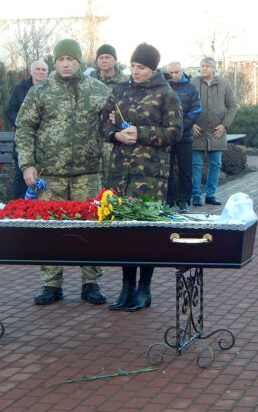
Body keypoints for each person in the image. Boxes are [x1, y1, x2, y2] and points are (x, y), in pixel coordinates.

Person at [15, 39, 109, 306]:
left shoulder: (98, 90)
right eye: (60, 59)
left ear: (80, 61)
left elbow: (110, 129)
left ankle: (90, 282)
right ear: (54, 62)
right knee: (50, 228)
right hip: (50, 175)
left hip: (88, 174)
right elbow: (24, 128)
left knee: (90, 227)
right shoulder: (40, 91)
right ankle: (51, 282)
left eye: (71, 59)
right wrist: (27, 164)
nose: (66, 64)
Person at [101, 43, 182, 311]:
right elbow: (103, 123)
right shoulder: (120, 90)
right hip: (119, 174)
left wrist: (141, 134)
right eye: (133, 66)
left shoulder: (166, 94)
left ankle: (144, 290)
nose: (135, 71)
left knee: (146, 233)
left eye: (142, 68)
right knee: (124, 232)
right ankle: (127, 287)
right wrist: (115, 134)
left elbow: (175, 133)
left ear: (153, 68)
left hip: (150, 176)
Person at [190, 57, 236, 206]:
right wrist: (191, 124)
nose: (204, 69)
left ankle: (211, 194)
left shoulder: (224, 84)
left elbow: (232, 106)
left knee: (215, 164)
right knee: (196, 164)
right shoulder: (193, 83)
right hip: (197, 131)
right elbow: (184, 105)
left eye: (207, 66)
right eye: (202, 66)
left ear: (214, 69)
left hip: (217, 132)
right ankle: (196, 195)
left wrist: (224, 125)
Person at [6, 60, 49, 198]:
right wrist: (23, 125)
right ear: (31, 71)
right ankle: (19, 210)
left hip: (46, 142)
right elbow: (10, 111)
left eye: (44, 70)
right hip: (25, 141)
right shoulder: (20, 89)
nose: (40, 72)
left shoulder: (52, 90)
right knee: (21, 176)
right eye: (37, 69)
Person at [166, 61, 201, 212]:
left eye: (176, 72)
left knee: (185, 169)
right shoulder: (163, 88)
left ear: (182, 71)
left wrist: (181, 127)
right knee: (166, 170)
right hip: (166, 136)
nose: (174, 75)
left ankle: (184, 201)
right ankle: (168, 201)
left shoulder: (191, 88)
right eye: (171, 73)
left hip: (184, 136)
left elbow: (195, 110)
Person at [91, 44, 129, 185]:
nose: (104, 60)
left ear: (115, 60)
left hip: (114, 136)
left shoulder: (125, 82)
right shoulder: (88, 81)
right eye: (101, 57)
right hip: (91, 135)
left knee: (113, 178)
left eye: (108, 57)